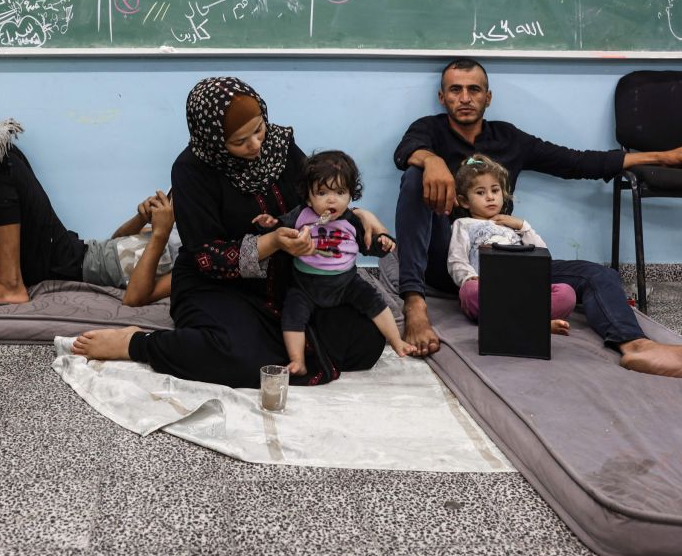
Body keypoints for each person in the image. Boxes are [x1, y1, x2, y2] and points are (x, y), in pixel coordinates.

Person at [392, 58, 682, 379]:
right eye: (456, 89)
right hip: (446, 257)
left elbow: (577, 162)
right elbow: (405, 150)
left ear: (488, 97)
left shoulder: (508, 138)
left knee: (597, 274)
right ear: (442, 97)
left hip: (503, 260)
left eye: (474, 89)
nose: (465, 97)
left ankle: (637, 346)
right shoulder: (429, 130)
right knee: (414, 176)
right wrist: (431, 161)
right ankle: (415, 305)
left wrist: (662, 157)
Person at [72, 77, 391, 387]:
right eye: (239, 141)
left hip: (288, 282)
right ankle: (137, 343)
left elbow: (319, 194)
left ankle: (273, 340)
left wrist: (360, 214)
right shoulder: (191, 171)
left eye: (259, 130)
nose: (256, 145)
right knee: (242, 358)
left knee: (366, 338)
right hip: (218, 289)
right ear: (212, 139)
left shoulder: (280, 145)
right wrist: (272, 241)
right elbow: (207, 258)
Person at [0, 146, 178, 308]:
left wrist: (160, 233)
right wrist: (142, 219)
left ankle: (9, 283)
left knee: (3, 161)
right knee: (10, 151)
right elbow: (116, 241)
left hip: (68, 265)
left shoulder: (189, 259)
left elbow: (135, 297)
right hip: (75, 251)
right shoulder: (176, 233)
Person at [253, 150, 415, 375]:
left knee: (375, 302)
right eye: (322, 192)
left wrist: (382, 243)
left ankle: (397, 341)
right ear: (309, 197)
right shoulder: (302, 215)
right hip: (306, 285)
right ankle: (297, 361)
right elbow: (280, 228)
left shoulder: (351, 221)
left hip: (346, 284)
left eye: (340, 192)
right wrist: (268, 224)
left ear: (350, 196)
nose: (332, 199)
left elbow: (368, 245)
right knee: (292, 316)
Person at [448, 155, 576, 335]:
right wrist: (468, 278)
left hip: (523, 289)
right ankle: (536, 323)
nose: (490, 197)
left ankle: (516, 320)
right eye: (480, 192)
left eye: (495, 190)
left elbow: (543, 254)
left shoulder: (512, 226)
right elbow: (456, 259)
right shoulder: (463, 224)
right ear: (464, 201)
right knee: (469, 293)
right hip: (490, 290)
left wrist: (523, 226)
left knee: (566, 293)